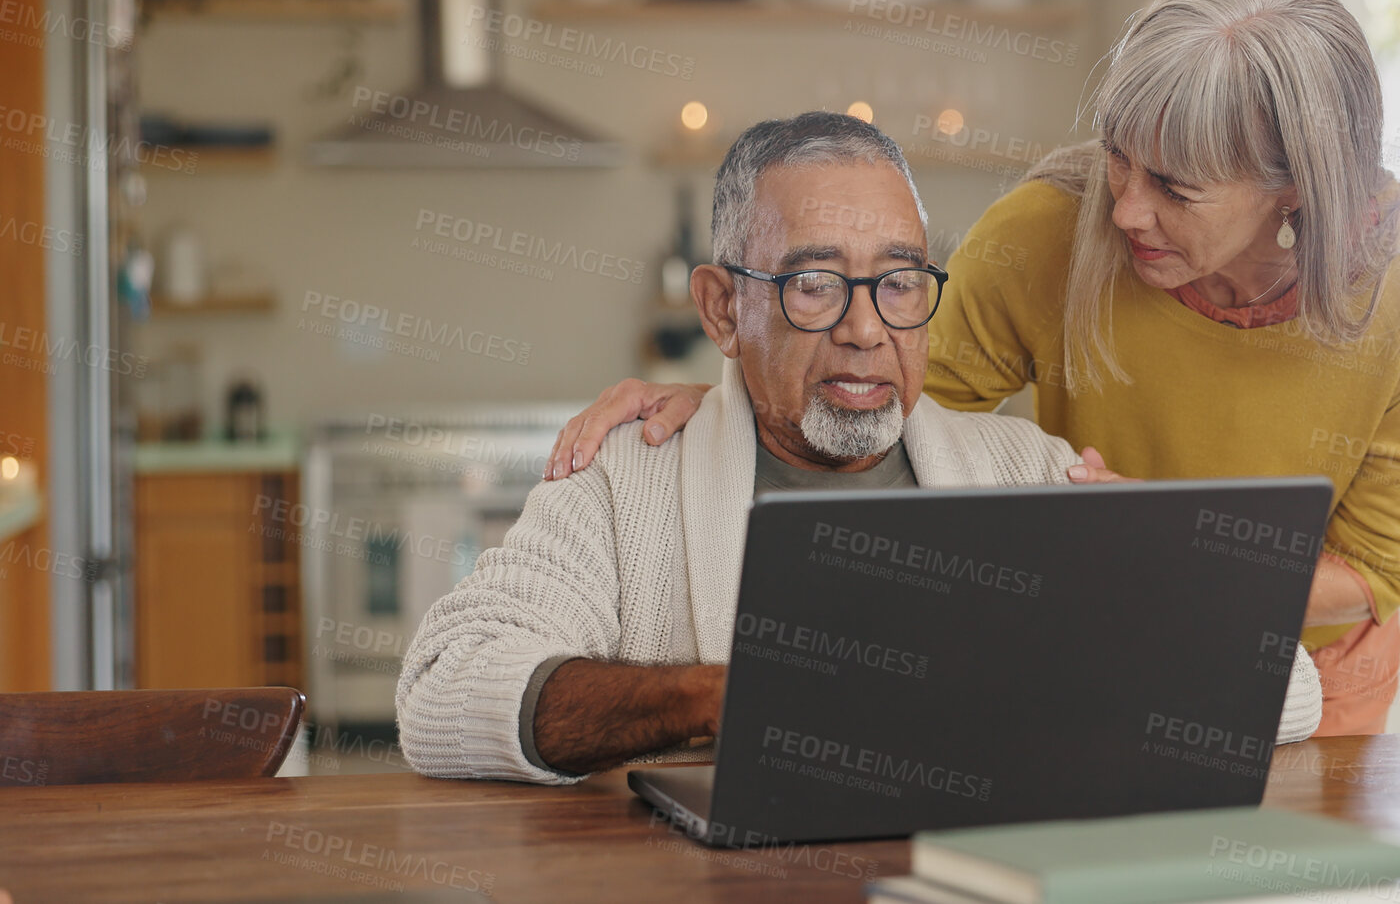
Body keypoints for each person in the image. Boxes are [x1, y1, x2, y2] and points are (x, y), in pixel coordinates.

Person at [545, 0, 1400, 736]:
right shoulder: (1050, 231)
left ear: (1294, 191)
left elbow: (1377, 569)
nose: (1123, 211)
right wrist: (724, 388)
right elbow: (875, 392)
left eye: (1175, 188)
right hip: (1102, 655)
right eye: (1118, 156)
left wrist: (1173, 560)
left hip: (1308, 676)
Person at [396, 111, 1324, 783]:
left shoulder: (1027, 471)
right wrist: (720, 696)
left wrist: (1144, 583)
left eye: (899, 283)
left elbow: (1289, 691)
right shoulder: (624, 478)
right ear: (725, 308)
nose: (865, 330)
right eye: (812, 286)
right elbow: (441, 695)